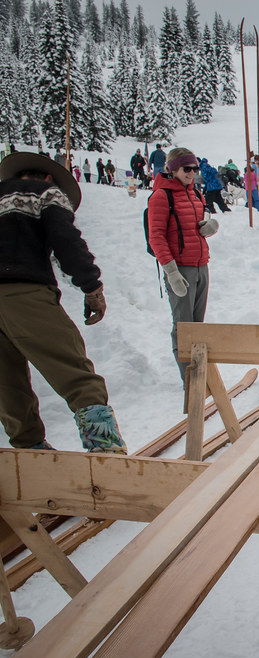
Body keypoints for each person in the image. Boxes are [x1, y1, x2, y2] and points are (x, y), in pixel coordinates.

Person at [0, 152, 127, 453]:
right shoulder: (46, 192)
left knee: (8, 385)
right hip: (24, 292)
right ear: (48, 177)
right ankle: (105, 450)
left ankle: (30, 454)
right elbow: (66, 240)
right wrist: (91, 286)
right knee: (75, 372)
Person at [146, 147, 219, 383]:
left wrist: (210, 227)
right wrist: (171, 272)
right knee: (183, 328)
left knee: (198, 327)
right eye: (188, 169)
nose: (193, 173)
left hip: (201, 265)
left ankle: (200, 378)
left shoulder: (196, 194)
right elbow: (156, 236)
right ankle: (190, 382)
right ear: (173, 168)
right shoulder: (160, 196)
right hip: (180, 269)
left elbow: (194, 227)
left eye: (195, 168)